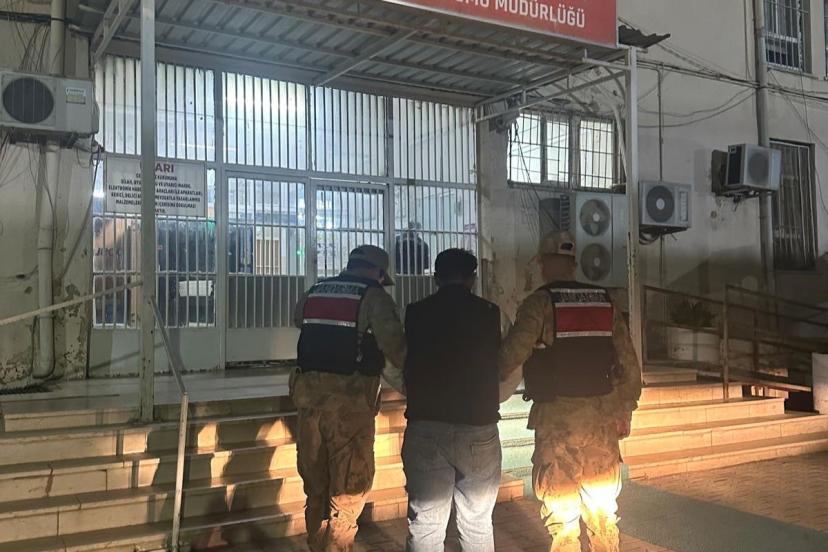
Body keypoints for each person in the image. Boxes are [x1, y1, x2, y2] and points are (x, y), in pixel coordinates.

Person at [498, 231, 641, 552]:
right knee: (603, 510)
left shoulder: (539, 303)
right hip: (602, 421)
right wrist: (625, 409)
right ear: (573, 263)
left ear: (545, 263)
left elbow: (511, 356)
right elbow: (629, 364)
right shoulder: (604, 300)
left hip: (557, 422)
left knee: (561, 513)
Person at [291, 245, 406, 552]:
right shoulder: (375, 296)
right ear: (378, 272)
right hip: (349, 408)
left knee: (316, 486)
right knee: (349, 489)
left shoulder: (316, 290)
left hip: (309, 404)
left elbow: (299, 319)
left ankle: (317, 544)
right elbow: (396, 348)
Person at [402, 248, 502, 552]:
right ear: (472, 279)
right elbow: (506, 361)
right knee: (478, 522)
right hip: (479, 427)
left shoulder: (415, 312)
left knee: (426, 524)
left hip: (425, 425)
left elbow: (399, 359)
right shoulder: (490, 312)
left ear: (435, 278)